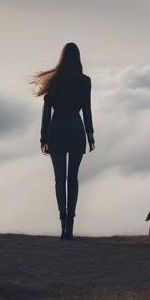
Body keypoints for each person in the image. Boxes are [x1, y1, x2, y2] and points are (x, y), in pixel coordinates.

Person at [32, 42, 95, 240]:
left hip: (57, 129)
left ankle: (62, 222)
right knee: (73, 179)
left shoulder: (55, 80)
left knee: (60, 179)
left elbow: (46, 112)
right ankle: (70, 224)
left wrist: (43, 137)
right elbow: (87, 109)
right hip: (76, 130)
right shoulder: (85, 81)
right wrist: (90, 134)